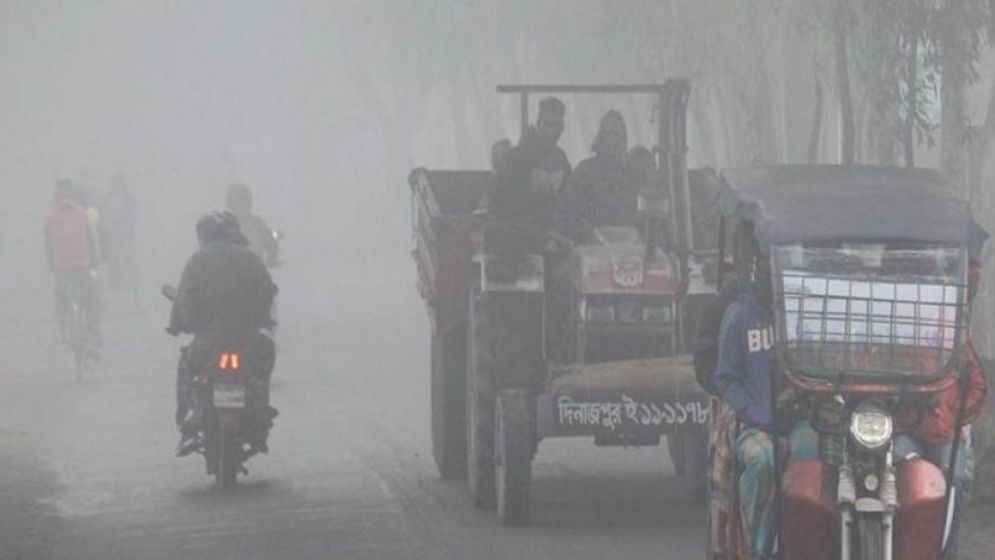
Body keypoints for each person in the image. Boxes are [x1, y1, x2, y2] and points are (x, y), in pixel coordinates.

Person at [713, 221, 815, 560]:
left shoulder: (806, 315)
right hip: (756, 425)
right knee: (764, 461)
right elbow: (725, 378)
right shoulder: (739, 316)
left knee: (814, 459)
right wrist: (752, 408)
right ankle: (758, 547)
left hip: (802, 422)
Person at [167, 211, 278, 456]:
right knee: (266, 355)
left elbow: (184, 299)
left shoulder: (196, 261)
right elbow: (266, 293)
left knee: (186, 365)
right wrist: (262, 319)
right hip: (248, 341)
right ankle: (260, 406)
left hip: (208, 343)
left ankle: (188, 416)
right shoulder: (250, 259)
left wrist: (177, 325)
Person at [557, 110, 642, 241]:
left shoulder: (635, 176)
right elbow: (568, 211)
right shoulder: (583, 172)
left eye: (618, 134)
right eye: (608, 133)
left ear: (624, 140)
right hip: (591, 245)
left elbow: (645, 215)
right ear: (599, 138)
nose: (613, 140)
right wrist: (586, 232)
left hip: (632, 246)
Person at [487, 96, 571, 227]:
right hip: (523, 230)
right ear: (538, 124)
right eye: (548, 124)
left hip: (553, 229)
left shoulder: (561, 158)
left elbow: (569, 194)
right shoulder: (518, 157)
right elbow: (507, 201)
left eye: (557, 126)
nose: (552, 131)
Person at [45, 179, 101, 347]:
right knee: (90, 297)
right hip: (82, 264)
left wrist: (50, 263)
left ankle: (64, 328)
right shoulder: (82, 213)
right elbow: (90, 238)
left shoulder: (51, 215)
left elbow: (48, 242)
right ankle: (91, 326)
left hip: (62, 266)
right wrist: (94, 261)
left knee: (60, 297)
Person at [99, 173, 139, 305]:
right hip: (111, 239)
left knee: (128, 266)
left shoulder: (129, 200)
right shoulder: (106, 200)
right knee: (113, 267)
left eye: (119, 182)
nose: (117, 185)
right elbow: (102, 218)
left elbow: (133, 218)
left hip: (126, 239)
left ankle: (133, 297)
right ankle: (114, 297)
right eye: (115, 182)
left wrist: (129, 231)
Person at [226, 183, 280, 266]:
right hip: (228, 273)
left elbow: (270, 244)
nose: (239, 207)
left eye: (243, 202)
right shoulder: (222, 226)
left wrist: (271, 260)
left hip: (254, 273)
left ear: (248, 204)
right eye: (235, 203)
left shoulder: (258, 224)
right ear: (230, 205)